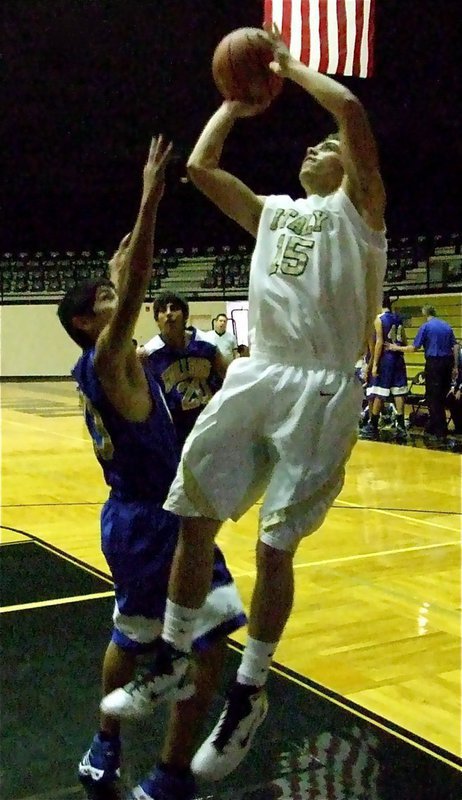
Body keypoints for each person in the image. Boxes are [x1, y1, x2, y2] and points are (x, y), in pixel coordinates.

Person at [102, 24, 387, 782]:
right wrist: (233, 102)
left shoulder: (360, 213)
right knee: (192, 507)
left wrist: (290, 69)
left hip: (323, 385)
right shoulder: (273, 212)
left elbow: (351, 112)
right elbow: (199, 167)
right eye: (313, 147)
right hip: (262, 374)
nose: (317, 150)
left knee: (273, 547)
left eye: (325, 149)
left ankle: (250, 691)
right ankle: (170, 654)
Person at [57, 137, 246, 800]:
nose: (123, 297)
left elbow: (122, 266)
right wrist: (149, 196)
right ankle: (128, 757)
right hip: (146, 523)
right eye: (107, 298)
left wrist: (138, 223)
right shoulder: (108, 359)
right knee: (163, 641)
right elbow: (131, 277)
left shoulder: (119, 360)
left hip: (157, 516)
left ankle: (144, 765)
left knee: (189, 636)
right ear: (89, 320)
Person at [139, 291, 227, 447]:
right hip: (174, 436)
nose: (168, 314)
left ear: (185, 315)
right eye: (162, 310)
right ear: (156, 320)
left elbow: (228, 380)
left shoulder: (207, 343)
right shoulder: (148, 354)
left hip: (210, 427)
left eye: (174, 308)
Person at [389, 305, 458, 438]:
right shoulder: (446, 326)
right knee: (443, 394)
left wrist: (395, 348)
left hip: (434, 363)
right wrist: (455, 366)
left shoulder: (426, 327)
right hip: (448, 362)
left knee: (433, 397)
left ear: (425, 314)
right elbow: (455, 346)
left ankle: (439, 430)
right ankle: (438, 425)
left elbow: (414, 348)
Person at [362, 292, 408, 439]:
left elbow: (379, 342)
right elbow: (405, 341)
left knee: (379, 391)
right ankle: (401, 426)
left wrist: (375, 364)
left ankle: (373, 425)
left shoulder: (379, 319)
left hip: (386, 358)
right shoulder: (398, 319)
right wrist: (397, 346)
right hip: (398, 357)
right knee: (398, 391)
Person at [446, 340, 462, 434]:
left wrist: (460, 389)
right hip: (457, 384)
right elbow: (454, 375)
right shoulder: (451, 359)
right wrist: (452, 388)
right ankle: (458, 426)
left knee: (459, 400)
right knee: (450, 398)